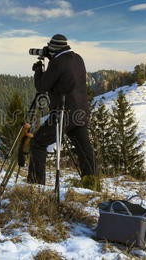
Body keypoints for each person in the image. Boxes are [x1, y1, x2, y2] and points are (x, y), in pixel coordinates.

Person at [27, 34, 97, 185]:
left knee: (38, 143)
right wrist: (52, 58)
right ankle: (92, 184)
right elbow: (64, 75)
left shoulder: (57, 63)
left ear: (53, 49)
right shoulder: (78, 58)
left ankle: (36, 185)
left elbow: (42, 87)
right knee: (84, 150)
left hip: (63, 113)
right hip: (81, 112)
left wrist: (39, 70)